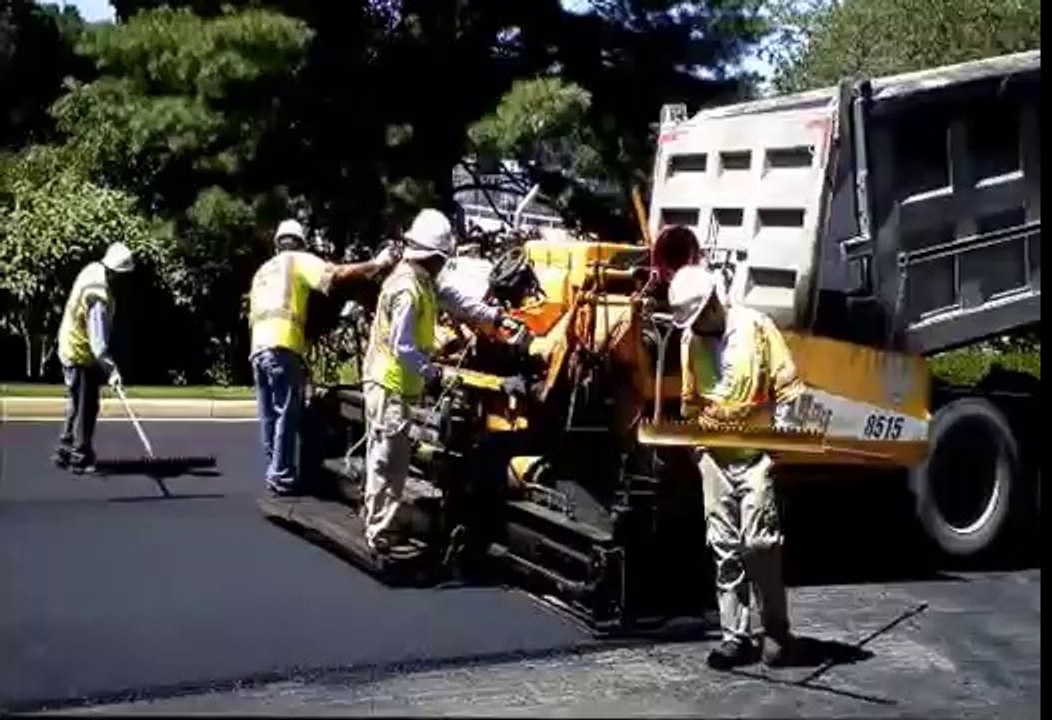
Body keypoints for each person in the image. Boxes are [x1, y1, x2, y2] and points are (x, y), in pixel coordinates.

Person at [361, 208, 530, 552]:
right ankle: (380, 534)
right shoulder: (409, 290)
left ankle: (377, 524)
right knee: (389, 464)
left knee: (386, 458)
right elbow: (403, 345)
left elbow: (456, 300)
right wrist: (432, 372)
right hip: (390, 384)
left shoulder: (420, 280)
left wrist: (496, 317)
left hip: (394, 385)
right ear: (433, 256)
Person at [669, 263, 806, 670]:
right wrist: (699, 452)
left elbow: (789, 392)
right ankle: (736, 637)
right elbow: (691, 402)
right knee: (724, 548)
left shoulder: (756, 328)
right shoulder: (690, 341)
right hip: (715, 457)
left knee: (760, 545)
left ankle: (776, 632)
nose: (696, 328)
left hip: (756, 458)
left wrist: (776, 452)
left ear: (713, 303)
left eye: (699, 318)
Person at [249, 218, 396, 496]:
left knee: (269, 414)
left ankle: (273, 471)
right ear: (300, 243)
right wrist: (377, 264)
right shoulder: (297, 260)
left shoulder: (263, 270)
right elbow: (336, 275)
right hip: (284, 344)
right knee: (286, 414)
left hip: (258, 348)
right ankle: (281, 476)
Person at [52, 242, 136, 474]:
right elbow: (98, 344)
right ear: (115, 273)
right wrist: (112, 371)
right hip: (80, 351)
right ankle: (81, 455)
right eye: (122, 276)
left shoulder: (93, 270)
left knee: (76, 401)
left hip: (69, 343)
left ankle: (65, 447)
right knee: (87, 405)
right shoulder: (98, 297)